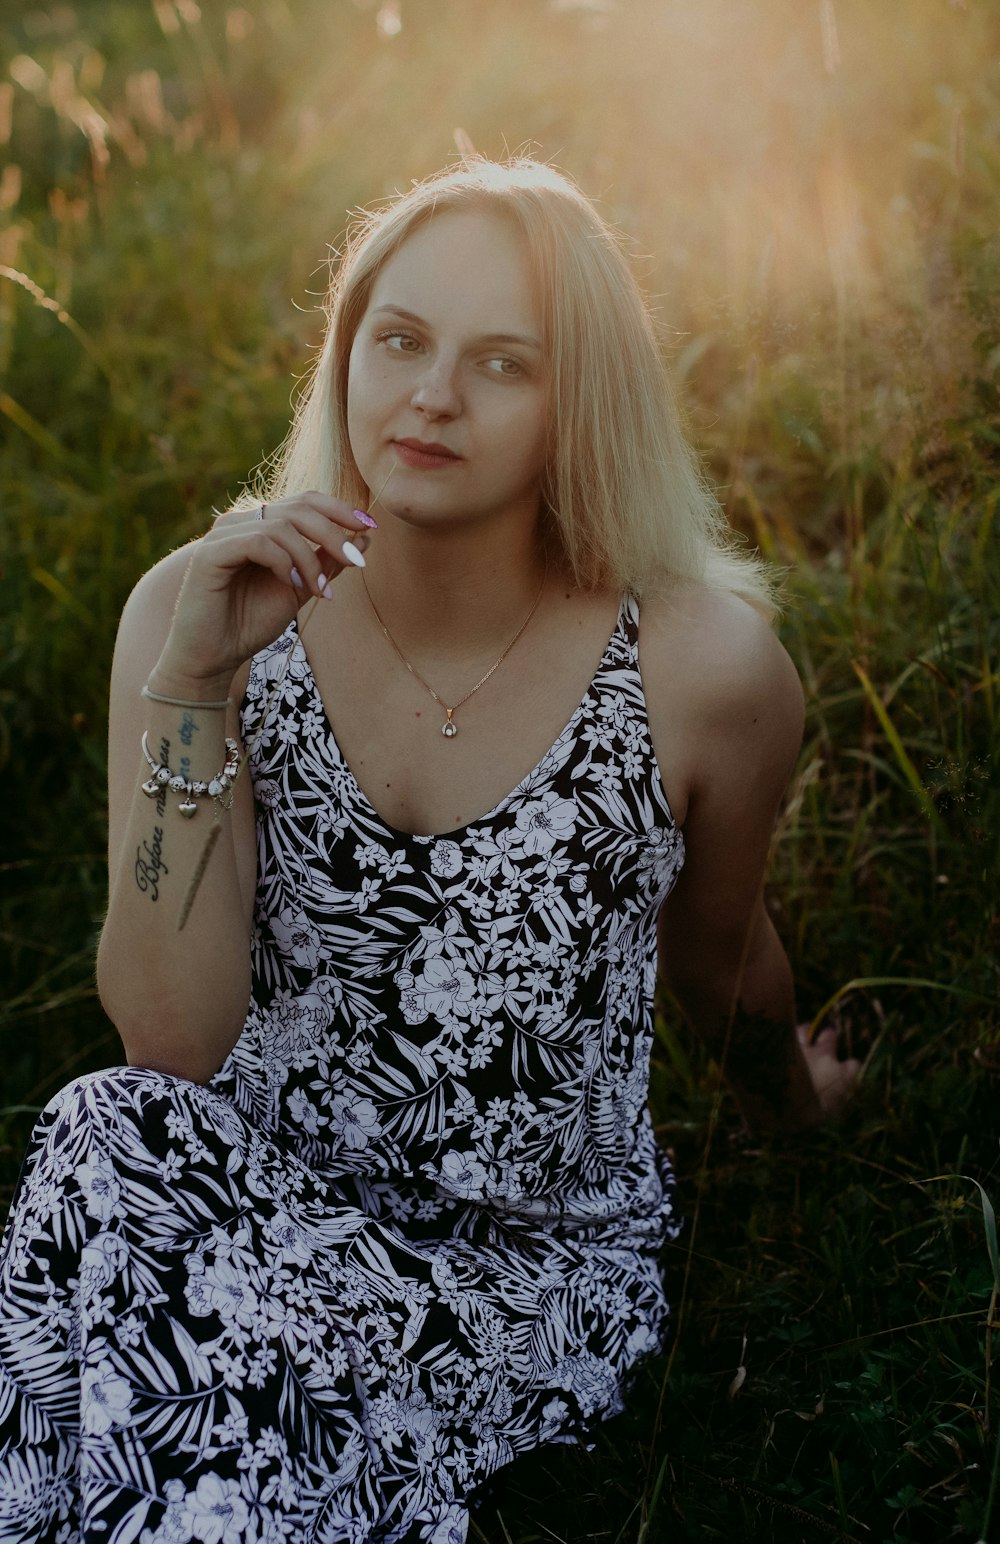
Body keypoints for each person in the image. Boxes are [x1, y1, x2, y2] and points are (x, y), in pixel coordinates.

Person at [0, 157, 858, 1543]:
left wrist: (797, 1108)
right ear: (345, 353)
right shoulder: (198, 614)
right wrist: (195, 682)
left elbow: (717, 956)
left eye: (502, 362)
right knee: (102, 1133)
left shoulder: (700, 672)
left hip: (526, 1268)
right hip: (262, 1197)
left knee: (180, 1398)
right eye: (398, 340)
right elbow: (169, 1041)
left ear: (577, 400)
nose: (431, 394)